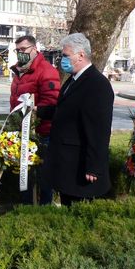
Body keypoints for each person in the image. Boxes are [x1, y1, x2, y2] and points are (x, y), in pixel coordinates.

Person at [43, 32, 114, 206]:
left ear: (81, 55)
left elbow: (99, 130)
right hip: (68, 162)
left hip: (81, 166)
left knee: (79, 211)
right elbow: (66, 111)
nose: (62, 60)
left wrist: (94, 167)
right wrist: (39, 111)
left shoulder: (96, 84)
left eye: (66, 55)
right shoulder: (73, 80)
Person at [9, 35, 60, 205]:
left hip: (41, 133)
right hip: (22, 133)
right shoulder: (19, 71)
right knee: (24, 176)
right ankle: (26, 209)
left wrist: (34, 118)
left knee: (44, 178)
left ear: (34, 49)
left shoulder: (46, 71)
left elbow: (51, 102)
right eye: (18, 50)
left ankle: (45, 212)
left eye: (23, 49)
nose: (20, 53)